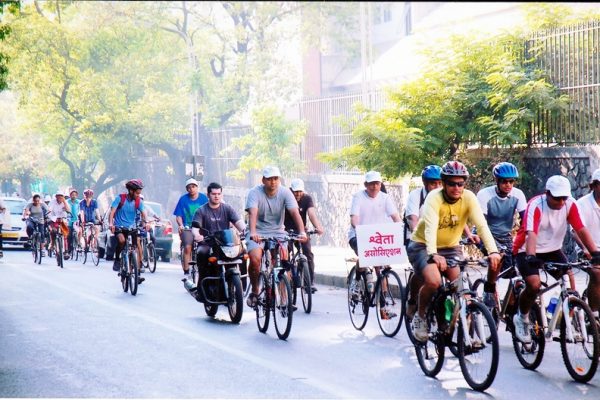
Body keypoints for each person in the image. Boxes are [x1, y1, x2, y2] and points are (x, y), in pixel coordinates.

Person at [408, 161, 502, 342]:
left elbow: (482, 226)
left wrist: (493, 251)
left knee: (460, 288)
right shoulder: (434, 198)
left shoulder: (469, 198)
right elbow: (430, 227)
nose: (456, 188)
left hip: (451, 248)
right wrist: (433, 253)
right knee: (434, 281)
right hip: (422, 245)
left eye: (460, 184)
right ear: (443, 183)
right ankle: (420, 316)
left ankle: (453, 324)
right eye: (451, 183)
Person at [512, 175, 600, 343]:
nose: (560, 202)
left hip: (552, 249)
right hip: (526, 249)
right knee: (534, 284)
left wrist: (595, 253)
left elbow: (580, 229)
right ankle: (521, 317)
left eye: (563, 198)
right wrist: (531, 256)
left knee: (569, 280)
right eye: (556, 198)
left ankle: (570, 321)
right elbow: (532, 233)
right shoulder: (536, 205)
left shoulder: (570, 204)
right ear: (547, 193)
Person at [245, 166, 306, 308]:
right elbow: (252, 213)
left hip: (278, 231)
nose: (273, 182)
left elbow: (295, 213)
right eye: (269, 179)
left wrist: (302, 232)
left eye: (275, 178)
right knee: (255, 259)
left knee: (284, 261)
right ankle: (255, 290)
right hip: (258, 231)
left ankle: (284, 299)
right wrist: (253, 232)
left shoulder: (285, 192)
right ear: (263, 180)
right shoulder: (254, 193)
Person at [348, 170, 402, 320]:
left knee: (382, 270)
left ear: (380, 184)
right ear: (366, 185)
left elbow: (395, 217)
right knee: (365, 259)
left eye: (377, 184)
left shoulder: (385, 198)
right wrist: (359, 230)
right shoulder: (358, 197)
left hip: (379, 238)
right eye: (371, 184)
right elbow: (354, 218)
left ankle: (383, 308)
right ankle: (357, 281)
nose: (374, 187)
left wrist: (402, 230)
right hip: (359, 236)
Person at [476, 162, 527, 309]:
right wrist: (493, 249)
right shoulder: (485, 195)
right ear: (496, 180)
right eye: (504, 181)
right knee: (496, 258)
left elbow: (525, 221)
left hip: (505, 235)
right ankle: (489, 288)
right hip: (486, 233)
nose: (508, 185)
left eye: (511, 181)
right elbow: (481, 224)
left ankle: (511, 303)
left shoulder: (518, 195)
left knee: (516, 267)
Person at [191, 182, 246, 292]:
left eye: (219, 194)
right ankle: (201, 285)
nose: (216, 196)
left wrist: (245, 231)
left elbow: (239, 223)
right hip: (208, 243)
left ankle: (242, 283)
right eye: (213, 194)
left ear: (222, 195)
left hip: (226, 243)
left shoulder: (227, 208)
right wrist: (197, 235)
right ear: (208, 195)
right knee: (202, 253)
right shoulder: (201, 210)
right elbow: (195, 228)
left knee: (243, 252)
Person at [403, 165, 443, 317]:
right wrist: (417, 233)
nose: (437, 186)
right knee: (420, 272)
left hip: (439, 240)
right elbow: (413, 218)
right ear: (425, 183)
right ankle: (413, 300)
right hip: (417, 240)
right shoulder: (416, 195)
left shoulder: (444, 195)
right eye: (433, 183)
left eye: (440, 183)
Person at [284, 178, 324, 293]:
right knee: (286, 254)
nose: (298, 194)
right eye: (295, 191)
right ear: (291, 190)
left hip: (301, 231)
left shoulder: (307, 198)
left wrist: (318, 227)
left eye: (300, 191)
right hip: (286, 231)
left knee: (308, 253)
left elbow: (311, 213)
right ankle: (287, 279)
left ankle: (309, 282)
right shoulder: (285, 197)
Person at [108, 179, 151, 285]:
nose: (138, 195)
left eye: (139, 193)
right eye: (137, 193)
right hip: (119, 227)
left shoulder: (138, 201)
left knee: (135, 248)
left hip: (132, 228)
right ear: (131, 191)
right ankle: (117, 259)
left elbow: (144, 212)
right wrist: (111, 223)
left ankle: (136, 273)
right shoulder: (120, 198)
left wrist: (147, 222)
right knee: (122, 241)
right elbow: (112, 211)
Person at [574, 168, 600, 319]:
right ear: (595, 186)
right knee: (597, 273)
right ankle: (594, 316)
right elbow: (575, 231)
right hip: (587, 250)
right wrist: (586, 249)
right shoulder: (582, 204)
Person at [173, 178, 209, 278]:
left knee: (206, 247)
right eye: (189, 187)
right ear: (187, 189)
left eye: (193, 187)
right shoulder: (183, 199)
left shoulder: (204, 198)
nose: (191, 189)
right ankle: (186, 270)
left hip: (201, 227)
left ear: (197, 187)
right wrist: (181, 225)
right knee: (188, 247)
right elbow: (178, 215)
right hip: (187, 227)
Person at [47, 191, 71, 258]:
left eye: (61, 196)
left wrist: (64, 202)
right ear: (56, 196)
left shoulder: (65, 202)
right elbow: (50, 210)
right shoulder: (53, 202)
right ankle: (52, 243)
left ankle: (66, 251)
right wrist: (54, 218)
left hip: (62, 219)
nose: (60, 198)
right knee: (53, 231)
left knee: (65, 234)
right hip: (54, 218)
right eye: (59, 196)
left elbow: (68, 211)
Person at [66, 188, 81, 258]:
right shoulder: (67, 202)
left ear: (77, 195)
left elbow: (81, 210)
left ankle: (79, 243)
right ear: (70, 195)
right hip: (68, 220)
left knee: (78, 231)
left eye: (75, 195)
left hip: (76, 220)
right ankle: (69, 250)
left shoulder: (79, 202)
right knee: (68, 235)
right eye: (72, 195)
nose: (74, 196)